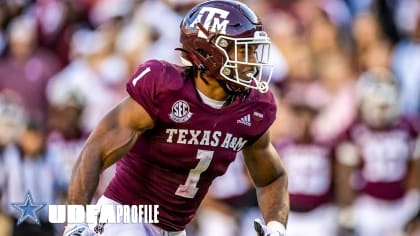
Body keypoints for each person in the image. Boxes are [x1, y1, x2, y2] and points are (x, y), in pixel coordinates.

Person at [64, 1, 289, 236]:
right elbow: (95, 150)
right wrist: (75, 222)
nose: (252, 61)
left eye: (253, 50)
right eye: (244, 50)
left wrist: (275, 226)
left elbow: (272, 176)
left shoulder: (253, 106)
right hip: (124, 216)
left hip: (176, 229)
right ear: (207, 51)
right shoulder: (165, 87)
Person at [335, 67, 420, 236]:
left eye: (385, 106)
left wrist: (413, 202)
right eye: (377, 106)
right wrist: (347, 207)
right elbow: (345, 173)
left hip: (401, 204)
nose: (381, 112)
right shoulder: (353, 130)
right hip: (367, 207)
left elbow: (415, 168)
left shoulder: (410, 128)